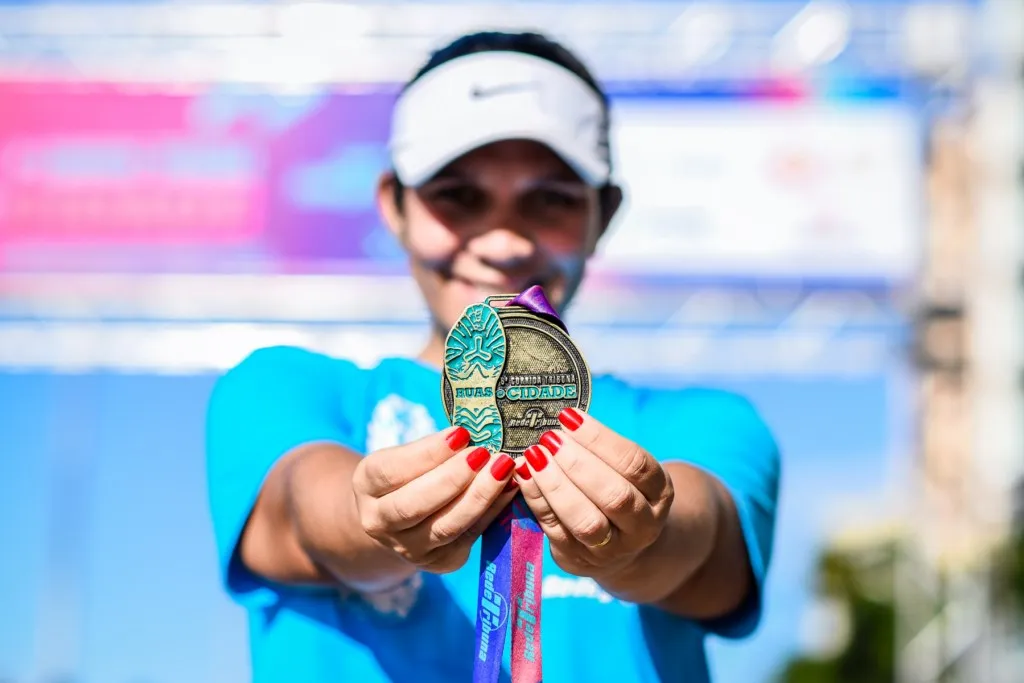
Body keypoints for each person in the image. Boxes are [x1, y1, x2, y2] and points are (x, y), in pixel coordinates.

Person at [206, 30, 780, 683]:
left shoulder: (710, 423)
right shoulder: (279, 389)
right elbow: (305, 513)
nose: (504, 241)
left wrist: (639, 537)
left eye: (551, 199)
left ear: (604, 215)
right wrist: (374, 519)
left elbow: (700, 545)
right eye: (457, 195)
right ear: (394, 206)